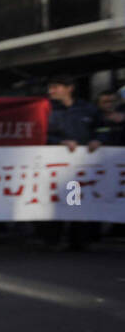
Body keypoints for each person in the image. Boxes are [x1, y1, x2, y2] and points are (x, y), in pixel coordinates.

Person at [41, 76, 101, 251]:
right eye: (50, 88)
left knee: (76, 202)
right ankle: (52, 239)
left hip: (80, 167)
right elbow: (39, 132)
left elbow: (101, 128)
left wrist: (98, 139)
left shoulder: (88, 109)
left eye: (55, 87)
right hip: (54, 166)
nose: (51, 92)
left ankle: (78, 240)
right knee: (53, 201)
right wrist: (59, 142)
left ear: (69, 88)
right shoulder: (46, 109)